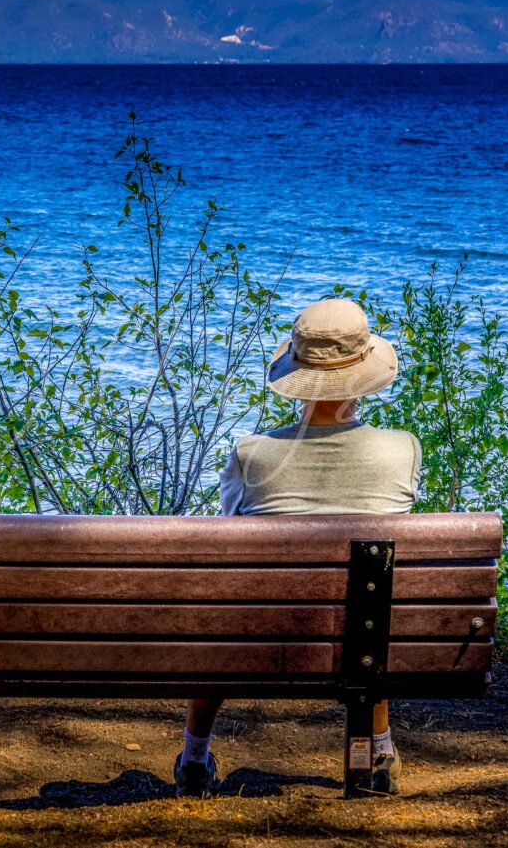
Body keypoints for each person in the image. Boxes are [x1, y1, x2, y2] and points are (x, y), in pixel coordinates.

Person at [173, 297, 421, 798]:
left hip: (256, 637)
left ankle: (195, 758)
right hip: (359, 642)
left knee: (222, 608)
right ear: (366, 373)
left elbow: (230, 543)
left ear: (297, 372)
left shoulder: (252, 454)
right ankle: (378, 753)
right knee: (372, 607)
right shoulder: (402, 449)